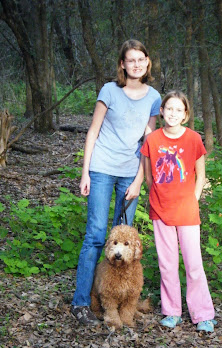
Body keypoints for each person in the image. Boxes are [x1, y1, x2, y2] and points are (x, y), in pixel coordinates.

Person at [71, 39, 161, 325]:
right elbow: (93, 132)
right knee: (97, 236)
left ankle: (123, 303)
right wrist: (85, 172)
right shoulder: (109, 91)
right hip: (101, 168)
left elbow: (149, 144)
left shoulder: (154, 97)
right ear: (122, 64)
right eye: (130, 59)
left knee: (125, 242)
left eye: (141, 59)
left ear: (147, 62)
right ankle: (82, 303)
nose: (136, 64)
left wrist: (139, 181)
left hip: (130, 173)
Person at [140, 90, 217, 332]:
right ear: (161, 111)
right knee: (167, 264)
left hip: (187, 211)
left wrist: (193, 200)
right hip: (161, 210)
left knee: (193, 264)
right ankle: (172, 311)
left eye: (178, 110)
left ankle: (202, 314)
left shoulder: (193, 138)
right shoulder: (152, 140)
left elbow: (201, 175)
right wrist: (159, 199)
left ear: (185, 115)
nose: (173, 113)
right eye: (169, 108)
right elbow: (148, 177)